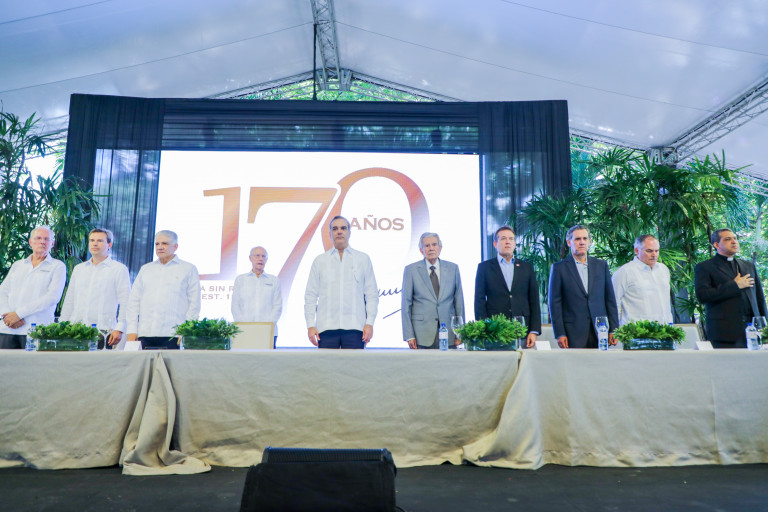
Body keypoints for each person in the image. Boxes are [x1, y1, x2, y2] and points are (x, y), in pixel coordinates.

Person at [304, 216, 378, 349]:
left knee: (354, 363)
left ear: (349, 232)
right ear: (330, 234)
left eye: (343, 228)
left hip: (355, 328)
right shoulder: (320, 261)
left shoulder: (363, 259)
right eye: (335, 229)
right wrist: (310, 325)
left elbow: (372, 294)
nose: (339, 231)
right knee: (325, 364)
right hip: (326, 329)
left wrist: (370, 323)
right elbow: (311, 295)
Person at [126, 230, 201, 350]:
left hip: (174, 334)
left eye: (165, 243)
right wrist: (131, 330)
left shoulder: (188, 269)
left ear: (175, 246)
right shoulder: (145, 269)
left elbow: (194, 304)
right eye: (157, 244)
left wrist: (187, 330)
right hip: (145, 333)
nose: (160, 247)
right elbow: (134, 302)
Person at [548, 225, 619, 348]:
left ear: (589, 242)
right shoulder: (559, 268)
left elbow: (610, 300)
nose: (582, 242)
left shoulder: (601, 266)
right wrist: (560, 333)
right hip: (572, 332)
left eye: (585, 238)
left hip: (600, 331)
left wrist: (614, 329)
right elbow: (555, 303)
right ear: (569, 242)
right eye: (577, 239)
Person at [59, 228, 131, 349]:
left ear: (109, 245)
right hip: (75, 330)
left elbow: (126, 302)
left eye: (100, 241)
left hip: (104, 331)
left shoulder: (119, 269)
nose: (95, 244)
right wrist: (62, 325)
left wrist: (120, 328)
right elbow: (70, 300)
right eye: (92, 240)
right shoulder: (79, 269)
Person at [694, 228, 767, 348]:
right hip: (724, 333)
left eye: (735, 238)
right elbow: (703, 296)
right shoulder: (705, 267)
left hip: (753, 331)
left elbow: (759, 298)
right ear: (716, 245)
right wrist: (734, 285)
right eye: (728, 239)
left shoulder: (748, 266)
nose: (734, 242)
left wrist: (765, 328)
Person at [0, 226, 67, 349]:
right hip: (8, 328)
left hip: (37, 330)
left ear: (52, 243)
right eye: (38, 238)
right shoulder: (18, 265)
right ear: (30, 242)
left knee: (35, 363)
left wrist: (19, 314)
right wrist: (7, 316)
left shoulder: (58, 266)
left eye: (46, 239)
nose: (42, 242)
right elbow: (3, 291)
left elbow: (53, 297)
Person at [474, 225, 540, 348]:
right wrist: (483, 329)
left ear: (515, 244)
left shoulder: (527, 267)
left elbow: (534, 300)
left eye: (511, 239)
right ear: (495, 244)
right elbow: (479, 301)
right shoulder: (484, 268)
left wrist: (534, 330)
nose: (508, 242)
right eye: (503, 238)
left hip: (523, 330)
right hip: (495, 329)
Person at [401, 232, 465, 349]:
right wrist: (409, 335)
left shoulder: (453, 268)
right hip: (421, 334)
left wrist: (461, 332)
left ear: (440, 248)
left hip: (449, 332)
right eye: (427, 246)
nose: (431, 248)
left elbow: (459, 302)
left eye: (434, 244)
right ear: (421, 250)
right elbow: (406, 304)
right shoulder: (411, 270)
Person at [611, 234, 673, 326]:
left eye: (656, 251)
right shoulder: (624, 272)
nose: (654, 255)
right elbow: (614, 304)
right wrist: (615, 329)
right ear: (637, 250)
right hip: (635, 331)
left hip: (665, 328)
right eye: (649, 251)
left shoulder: (663, 269)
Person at [231, 246, 283, 345]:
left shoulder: (274, 280)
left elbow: (278, 306)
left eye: (263, 256)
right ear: (250, 258)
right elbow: (235, 305)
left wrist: (267, 326)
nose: (260, 259)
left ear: (266, 260)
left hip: (268, 331)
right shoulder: (241, 279)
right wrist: (244, 326)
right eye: (257, 256)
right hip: (244, 331)